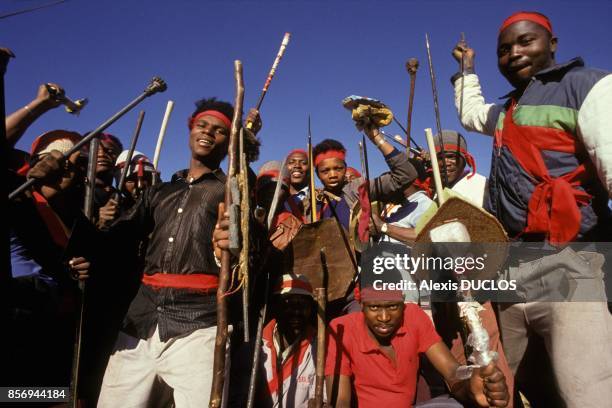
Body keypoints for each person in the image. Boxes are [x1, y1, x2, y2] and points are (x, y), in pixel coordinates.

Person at [451, 11, 612, 406]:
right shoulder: (508, 109)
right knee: (524, 392)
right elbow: (472, 115)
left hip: (573, 261)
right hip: (511, 270)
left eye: (526, 42)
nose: (515, 53)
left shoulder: (589, 86)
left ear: (552, 44)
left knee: (587, 393)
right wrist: (467, 70)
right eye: (504, 50)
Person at [97, 98, 262, 407]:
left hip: (201, 324)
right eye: (202, 125)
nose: (208, 133)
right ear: (190, 130)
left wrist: (229, 246)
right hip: (141, 320)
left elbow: (248, 254)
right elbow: (118, 239)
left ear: (229, 141)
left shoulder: (230, 189)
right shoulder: (159, 191)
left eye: (220, 131)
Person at [325, 285, 509, 407]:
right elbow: (340, 400)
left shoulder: (413, 316)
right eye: (374, 308)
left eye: (392, 307)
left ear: (403, 303)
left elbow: (453, 372)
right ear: (361, 305)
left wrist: (470, 385)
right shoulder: (342, 328)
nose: (384, 317)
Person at [256, 274, 318, 408]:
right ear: (275, 307)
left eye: (302, 305)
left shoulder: (319, 350)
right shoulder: (256, 347)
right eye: (288, 304)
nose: (296, 312)